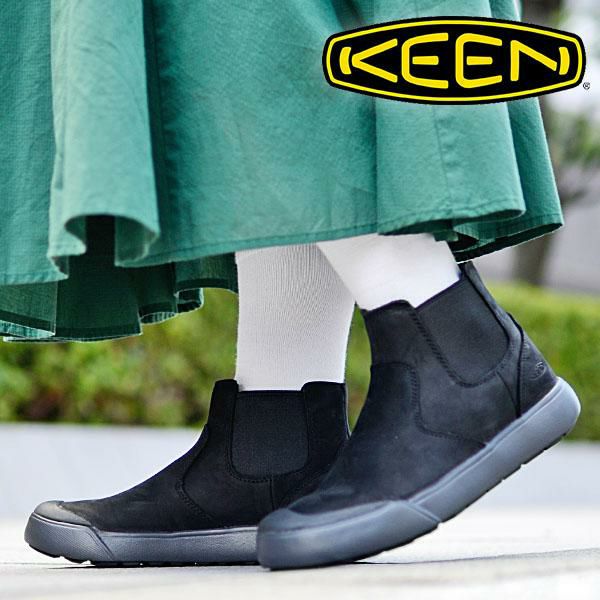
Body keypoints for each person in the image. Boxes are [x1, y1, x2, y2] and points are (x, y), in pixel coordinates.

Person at [2, 0, 579, 569]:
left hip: (456, 350)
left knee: (240, 18)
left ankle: (458, 344)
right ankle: (275, 445)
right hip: (275, 442)